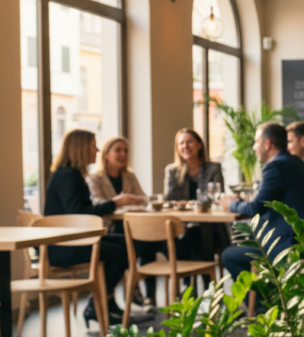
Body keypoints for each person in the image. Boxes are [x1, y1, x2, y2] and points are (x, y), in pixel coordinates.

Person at [44, 129, 143, 326]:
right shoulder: (68, 177)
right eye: (93, 145)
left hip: (70, 241)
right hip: (64, 247)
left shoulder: (68, 175)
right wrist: (114, 203)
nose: (97, 150)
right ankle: (99, 303)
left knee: (130, 244)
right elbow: (78, 212)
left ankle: (102, 303)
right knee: (127, 249)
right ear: (80, 148)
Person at [221, 122, 304, 287]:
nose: (254, 147)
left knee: (228, 256)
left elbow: (255, 208)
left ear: (267, 144)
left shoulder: (275, 167)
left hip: (289, 244)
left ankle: (264, 305)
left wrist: (232, 204)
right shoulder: (297, 163)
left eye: (256, 142)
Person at [87, 136, 157, 305]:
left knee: (149, 242)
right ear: (105, 154)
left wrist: (134, 201)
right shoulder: (95, 178)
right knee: (135, 244)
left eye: (125, 151)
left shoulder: (129, 176)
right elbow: (97, 203)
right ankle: (132, 287)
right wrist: (119, 202)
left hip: (131, 225)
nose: (123, 154)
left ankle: (150, 297)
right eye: (118, 150)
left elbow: (145, 199)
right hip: (110, 228)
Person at [164, 128, 228, 276]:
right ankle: (188, 284)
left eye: (189, 142)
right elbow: (170, 199)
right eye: (181, 143)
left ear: (199, 145)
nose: (185, 146)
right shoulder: (172, 171)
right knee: (181, 237)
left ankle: (206, 284)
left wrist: (187, 204)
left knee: (199, 233)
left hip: (210, 226)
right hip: (183, 226)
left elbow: (215, 196)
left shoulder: (213, 168)